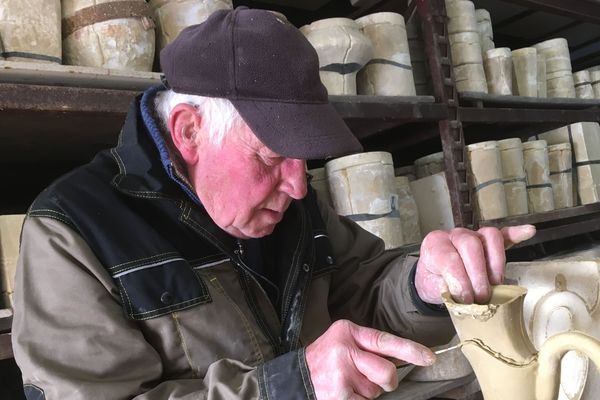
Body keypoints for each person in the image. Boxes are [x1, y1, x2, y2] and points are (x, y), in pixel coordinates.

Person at [12, 7, 535, 400]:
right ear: (189, 131)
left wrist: (423, 284)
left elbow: (368, 291)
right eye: (269, 157)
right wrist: (291, 386)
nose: (299, 186)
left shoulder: (289, 204)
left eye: (303, 160)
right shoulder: (72, 232)